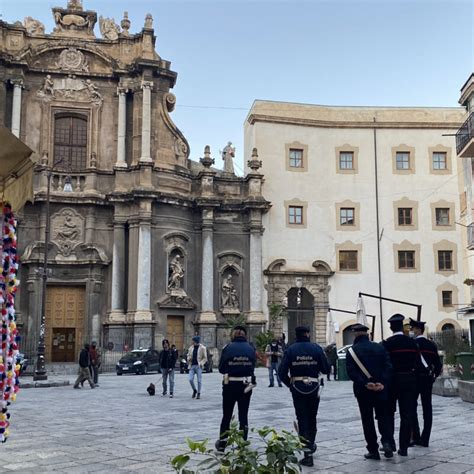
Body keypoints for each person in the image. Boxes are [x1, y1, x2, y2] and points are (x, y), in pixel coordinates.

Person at [278, 326, 330, 467]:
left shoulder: (291, 350)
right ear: (308, 334)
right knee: (312, 418)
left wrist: (291, 384)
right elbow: (326, 368)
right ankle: (311, 445)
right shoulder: (316, 348)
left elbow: (281, 372)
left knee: (302, 419)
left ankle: (307, 453)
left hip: (297, 388)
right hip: (313, 387)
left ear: (296, 335)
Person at [346, 324, 393, 460]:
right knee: (383, 417)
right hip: (380, 389)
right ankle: (387, 442)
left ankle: (373, 449)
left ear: (355, 334)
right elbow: (388, 367)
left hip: (363, 390)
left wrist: (366, 383)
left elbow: (352, 373)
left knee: (367, 420)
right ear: (367, 334)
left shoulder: (352, 351)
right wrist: (381, 382)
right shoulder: (380, 347)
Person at [215, 325, 257, 453]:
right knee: (243, 415)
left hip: (230, 385)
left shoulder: (227, 348)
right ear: (245, 335)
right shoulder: (251, 348)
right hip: (246, 385)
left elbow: (221, 368)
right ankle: (242, 443)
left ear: (234, 335)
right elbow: (253, 366)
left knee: (227, 415)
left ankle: (222, 443)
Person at [382, 314, 419, 456]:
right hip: (408, 381)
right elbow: (417, 363)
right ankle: (403, 447)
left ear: (391, 327)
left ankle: (390, 444)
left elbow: (384, 364)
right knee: (407, 414)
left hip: (391, 381)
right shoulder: (412, 343)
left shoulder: (386, 344)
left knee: (388, 413)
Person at [409, 318, 442, 447]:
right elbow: (438, 365)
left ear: (418, 330)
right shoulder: (431, 345)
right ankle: (425, 438)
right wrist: (433, 377)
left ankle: (415, 436)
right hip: (427, 379)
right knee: (427, 408)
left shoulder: (411, 344)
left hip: (414, 379)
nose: (412, 331)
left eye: (413, 329)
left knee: (412, 408)